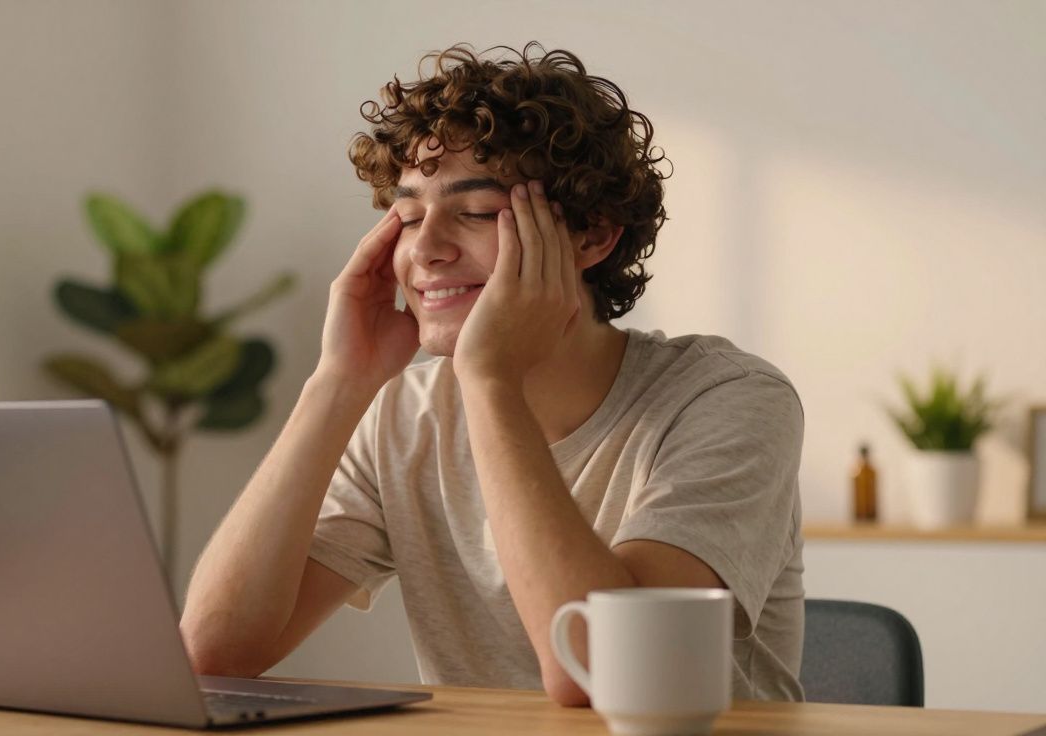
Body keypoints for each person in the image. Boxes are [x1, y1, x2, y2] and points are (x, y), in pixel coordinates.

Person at [181, 42, 805, 706]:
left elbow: (609, 678)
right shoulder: (403, 414)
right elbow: (212, 654)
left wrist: (489, 380)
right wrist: (337, 382)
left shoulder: (731, 401)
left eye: (475, 213)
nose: (424, 248)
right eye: (408, 216)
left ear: (592, 235)